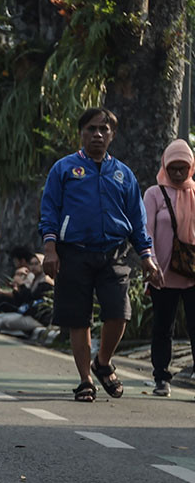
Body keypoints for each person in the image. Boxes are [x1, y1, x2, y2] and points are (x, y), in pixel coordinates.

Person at [40, 107, 163, 402]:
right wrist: (50, 249)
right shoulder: (64, 169)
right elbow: (49, 210)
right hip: (74, 254)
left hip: (114, 253)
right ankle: (85, 381)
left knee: (119, 313)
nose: (97, 134)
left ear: (112, 135)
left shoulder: (123, 174)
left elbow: (136, 218)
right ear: (81, 133)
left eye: (103, 129)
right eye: (91, 129)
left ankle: (103, 362)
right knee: (79, 320)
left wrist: (147, 256)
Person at [143, 139, 195, 398]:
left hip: (192, 274)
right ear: (165, 165)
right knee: (163, 328)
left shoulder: (194, 193)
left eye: (182, 169)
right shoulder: (154, 193)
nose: (177, 174)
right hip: (162, 274)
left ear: (191, 168)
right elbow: (147, 231)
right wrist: (149, 261)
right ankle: (161, 377)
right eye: (172, 168)